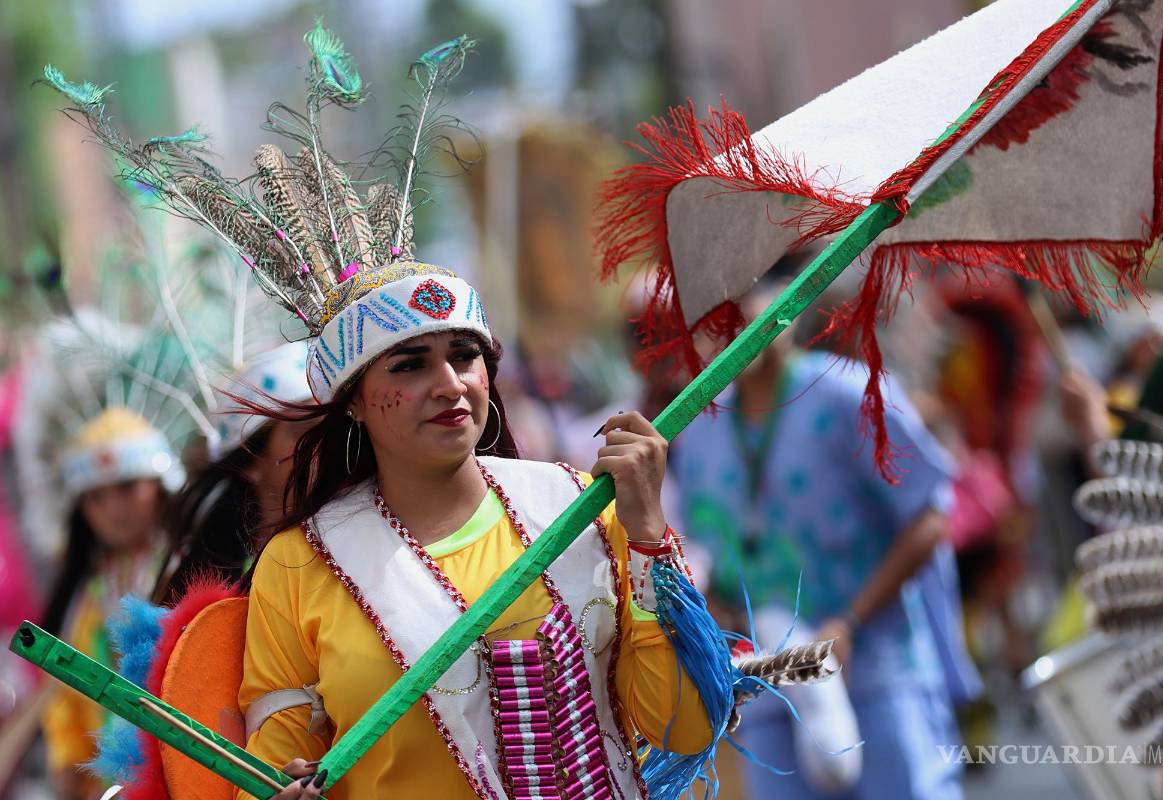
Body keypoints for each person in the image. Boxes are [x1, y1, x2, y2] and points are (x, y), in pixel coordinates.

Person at [42, 25, 735, 800]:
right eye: (409, 365)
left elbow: (682, 727)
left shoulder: (577, 507)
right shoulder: (299, 568)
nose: (449, 384)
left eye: (464, 356)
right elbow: (271, 770)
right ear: (354, 404)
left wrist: (649, 540)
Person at [672, 278, 962, 800]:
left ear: (786, 303)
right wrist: (719, 614)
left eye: (747, 305)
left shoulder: (849, 393)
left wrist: (848, 623)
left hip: (878, 672)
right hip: (769, 684)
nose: (734, 327)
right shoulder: (698, 431)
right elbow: (706, 555)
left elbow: (929, 516)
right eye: (715, 317)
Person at [40, 407, 183, 800]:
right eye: (96, 497)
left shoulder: (191, 566)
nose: (114, 509)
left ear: (161, 484)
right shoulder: (89, 592)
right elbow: (66, 689)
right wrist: (68, 757)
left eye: (128, 487)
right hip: (107, 781)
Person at [154, 341, 314, 603]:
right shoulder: (217, 596)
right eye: (303, 430)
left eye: (335, 426)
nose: (325, 442)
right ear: (251, 462)